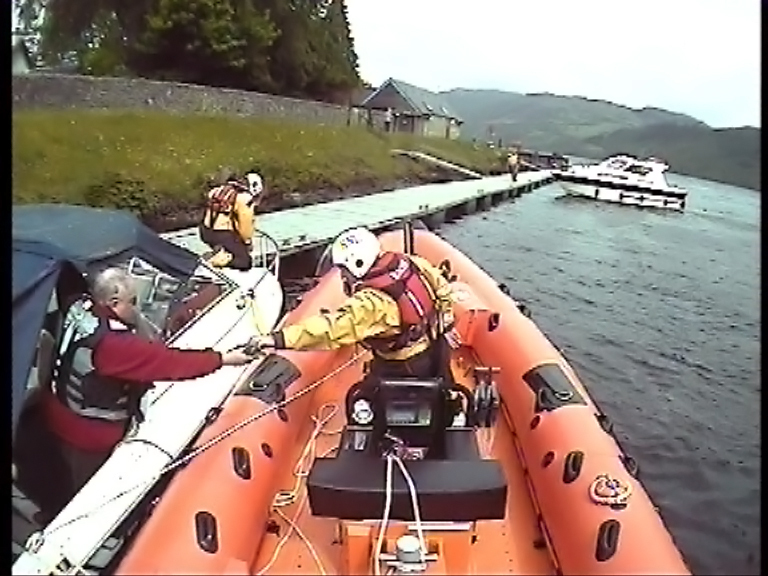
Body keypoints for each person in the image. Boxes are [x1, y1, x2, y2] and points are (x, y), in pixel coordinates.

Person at [42, 267, 255, 495]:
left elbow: (66, 280)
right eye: (132, 301)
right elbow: (172, 363)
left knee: (60, 472)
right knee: (85, 491)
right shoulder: (115, 346)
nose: (137, 308)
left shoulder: (77, 306)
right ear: (113, 303)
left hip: (57, 410)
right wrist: (224, 358)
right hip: (90, 435)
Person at [248, 227, 461, 387]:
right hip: (434, 348)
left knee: (370, 399)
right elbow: (441, 288)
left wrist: (277, 339)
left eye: (343, 270)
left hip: (402, 366)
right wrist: (447, 323)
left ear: (357, 263)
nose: (342, 276)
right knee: (444, 388)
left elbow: (331, 329)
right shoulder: (410, 263)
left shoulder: (370, 303)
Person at [199, 168, 265, 270]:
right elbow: (245, 228)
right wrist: (248, 243)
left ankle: (220, 253)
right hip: (221, 234)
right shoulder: (245, 198)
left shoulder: (218, 190)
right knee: (245, 262)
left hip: (205, 231)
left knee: (232, 244)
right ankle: (218, 261)